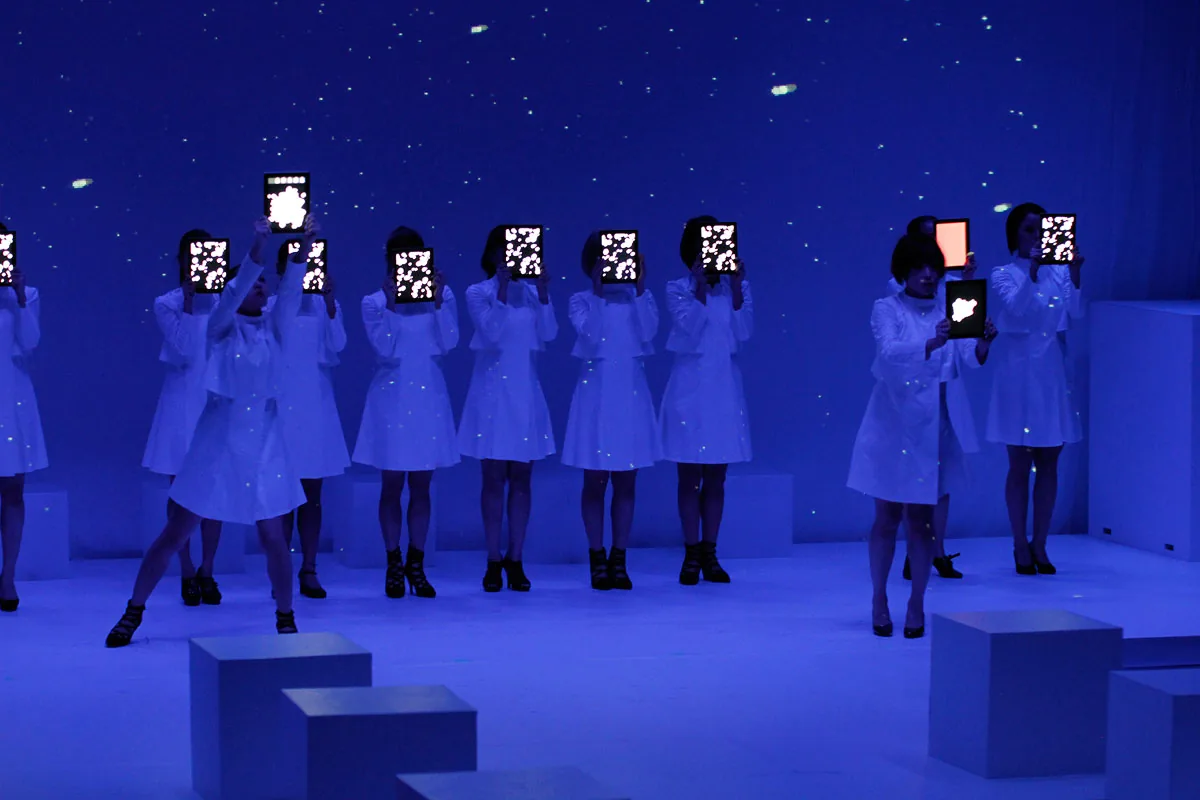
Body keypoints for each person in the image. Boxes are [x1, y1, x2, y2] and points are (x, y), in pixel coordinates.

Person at [105, 215, 319, 647]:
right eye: (254, 283)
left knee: (274, 536)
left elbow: (291, 294)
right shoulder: (221, 326)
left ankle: (285, 615)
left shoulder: (276, 327)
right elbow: (233, 294)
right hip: (218, 437)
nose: (261, 288)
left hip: (265, 440)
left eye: (264, 284)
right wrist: (257, 248)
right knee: (176, 530)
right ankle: (133, 611)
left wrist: (301, 249)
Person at [848, 234, 997, 638]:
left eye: (933, 267)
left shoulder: (950, 304)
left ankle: (917, 602)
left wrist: (983, 343)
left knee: (922, 519)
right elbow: (889, 351)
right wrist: (932, 340)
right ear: (904, 272)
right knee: (886, 517)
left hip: (932, 426)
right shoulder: (887, 307)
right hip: (891, 423)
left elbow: (967, 358)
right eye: (919, 268)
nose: (928, 275)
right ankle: (879, 598)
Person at [352, 226, 458, 599]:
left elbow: (450, 342)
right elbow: (384, 348)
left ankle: (417, 563)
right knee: (392, 484)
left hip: (427, 393)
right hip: (392, 397)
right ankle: (393, 563)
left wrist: (439, 301)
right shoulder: (373, 302)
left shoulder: (441, 296)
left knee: (422, 485)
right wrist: (393, 305)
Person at [986, 203, 1085, 575]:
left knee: (1049, 460)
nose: (1037, 236)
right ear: (1015, 234)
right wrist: (1031, 270)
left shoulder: (1058, 271)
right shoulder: (1003, 273)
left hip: (1051, 369)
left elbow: (1075, 313)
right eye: (1029, 230)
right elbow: (1017, 308)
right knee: (1018, 461)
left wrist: (1073, 273)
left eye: (1042, 229)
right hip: (1017, 371)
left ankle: (1040, 542)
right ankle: (1019, 544)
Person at [457, 225, 556, 592]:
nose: (509, 256)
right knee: (493, 477)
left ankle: (516, 557)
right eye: (503, 249)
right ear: (492, 254)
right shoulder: (477, 292)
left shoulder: (530, 294)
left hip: (525, 391)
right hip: (492, 393)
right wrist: (500, 289)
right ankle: (493, 558)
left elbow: (549, 333)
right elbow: (492, 332)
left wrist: (543, 293)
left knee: (522, 477)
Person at [562, 233, 660, 590]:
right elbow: (590, 336)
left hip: (630, 393)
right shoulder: (581, 300)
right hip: (596, 395)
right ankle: (597, 556)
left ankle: (619, 557)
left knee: (626, 480)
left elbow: (649, 332)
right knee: (594, 479)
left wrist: (640, 287)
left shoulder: (640, 298)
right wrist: (599, 293)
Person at [660, 215, 752, 585]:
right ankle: (691, 551)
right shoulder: (676, 288)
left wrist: (738, 289)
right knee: (689, 476)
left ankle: (710, 551)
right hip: (689, 387)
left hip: (723, 386)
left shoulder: (735, 288)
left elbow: (744, 332)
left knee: (717, 475)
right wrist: (699, 287)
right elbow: (689, 327)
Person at [891, 216, 979, 581]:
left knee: (942, 477)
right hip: (914, 397)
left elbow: (968, 343)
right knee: (915, 477)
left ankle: (936, 550)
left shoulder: (953, 286)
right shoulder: (898, 292)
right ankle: (915, 551)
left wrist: (967, 284)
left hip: (945, 393)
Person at [141, 230, 225, 607]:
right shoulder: (167, 303)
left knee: (213, 492)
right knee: (180, 492)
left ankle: (208, 569)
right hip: (180, 402)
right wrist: (190, 302)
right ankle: (187, 569)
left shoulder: (225, 302)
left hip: (213, 400)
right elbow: (186, 348)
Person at [267, 239, 351, 599]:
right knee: (283, 495)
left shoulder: (324, 306)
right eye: (295, 263)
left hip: (316, 404)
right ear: (281, 270)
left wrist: (330, 303)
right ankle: (282, 570)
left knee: (313, 493)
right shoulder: (272, 306)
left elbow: (338, 345)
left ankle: (310, 567)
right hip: (283, 406)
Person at [0, 222, 48, 612]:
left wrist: (18, 297)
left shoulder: (27, 294)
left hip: (12, 396)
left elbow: (30, 342)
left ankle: (8, 577)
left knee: (13, 490)